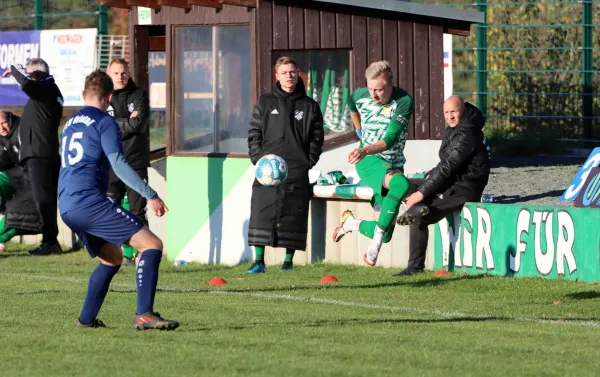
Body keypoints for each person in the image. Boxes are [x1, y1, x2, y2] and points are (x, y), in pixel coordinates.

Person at [59, 70, 178, 330]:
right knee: (152, 245)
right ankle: (144, 314)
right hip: (89, 202)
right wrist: (151, 194)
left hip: (66, 205)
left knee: (112, 258)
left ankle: (86, 321)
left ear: (83, 95)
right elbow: (119, 164)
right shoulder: (105, 122)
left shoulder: (70, 123)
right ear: (110, 98)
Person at [394, 95, 491, 276]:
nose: (450, 116)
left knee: (418, 212)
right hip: (452, 180)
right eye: (446, 112)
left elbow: (449, 167)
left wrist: (421, 193)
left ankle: (415, 267)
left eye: (453, 111)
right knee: (403, 184)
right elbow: (445, 163)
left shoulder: (467, 133)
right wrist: (429, 175)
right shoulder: (457, 128)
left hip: (465, 187)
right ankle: (394, 214)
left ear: (463, 109)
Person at [331, 60, 414, 267]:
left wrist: (364, 148)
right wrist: (359, 131)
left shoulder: (403, 101)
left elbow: (391, 140)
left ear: (391, 85)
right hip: (368, 161)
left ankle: (351, 224)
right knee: (401, 184)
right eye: (370, 89)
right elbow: (351, 103)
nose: (373, 95)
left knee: (386, 233)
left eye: (379, 90)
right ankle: (374, 244)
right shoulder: (361, 95)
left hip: (388, 161)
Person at [246, 56, 324, 273]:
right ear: (276, 76)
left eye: (292, 72)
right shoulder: (265, 102)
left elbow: (317, 137)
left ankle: (288, 263)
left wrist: (308, 160)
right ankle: (259, 262)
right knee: (262, 212)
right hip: (267, 169)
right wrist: (259, 159)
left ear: (298, 73)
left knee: (294, 215)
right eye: (284, 73)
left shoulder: (310, 106)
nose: (289, 76)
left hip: (296, 169)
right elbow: (254, 134)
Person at [2, 59, 64, 255]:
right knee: (44, 199)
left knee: (42, 200)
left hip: (40, 154)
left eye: (30, 73)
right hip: (41, 153)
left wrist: (14, 69)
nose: (27, 77)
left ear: (36, 75)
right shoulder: (48, 91)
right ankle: (51, 242)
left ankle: (50, 242)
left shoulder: (46, 88)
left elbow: (28, 84)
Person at [105, 58, 151, 266]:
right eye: (116, 73)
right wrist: (126, 122)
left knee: (137, 211)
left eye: (123, 73)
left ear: (129, 73)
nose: (120, 77)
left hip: (135, 161)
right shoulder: (105, 97)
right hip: (111, 162)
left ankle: (141, 255)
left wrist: (114, 124)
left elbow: (137, 125)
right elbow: (102, 125)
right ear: (109, 74)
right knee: (111, 210)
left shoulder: (139, 94)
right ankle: (119, 254)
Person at [0, 111, 43, 251]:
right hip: (19, 174)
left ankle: (1, 239)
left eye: (3, 123)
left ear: (10, 119)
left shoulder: (23, 128)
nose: (2, 128)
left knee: (22, 212)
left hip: (37, 175)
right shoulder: (2, 137)